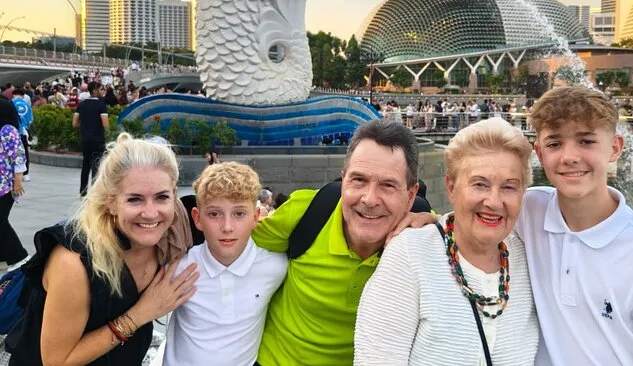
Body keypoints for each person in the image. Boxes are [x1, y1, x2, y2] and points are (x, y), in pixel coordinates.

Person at [354, 117, 538, 365]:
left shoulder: (531, 257)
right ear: (451, 188)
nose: (494, 202)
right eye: (480, 184)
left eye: (509, 187)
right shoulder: (411, 255)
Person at [252, 120, 435, 365]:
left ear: (411, 196)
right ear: (343, 180)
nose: (369, 199)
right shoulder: (306, 212)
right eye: (358, 180)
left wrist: (438, 224)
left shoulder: (425, 234)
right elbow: (230, 239)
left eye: (388, 185)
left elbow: (473, 237)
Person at [5, 133, 198, 365]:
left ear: (174, 195)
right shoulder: (74, 261)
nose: (150, 213)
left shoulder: (172, 233)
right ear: (110, 202)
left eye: (162, 197)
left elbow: (229, 218)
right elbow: (56, 361)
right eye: (134, 199)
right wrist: (141, 313)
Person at [517, 86, 633, 365]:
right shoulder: (527, 210)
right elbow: (466, 223)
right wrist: (431, 221)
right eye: (554, 144)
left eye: (586, 141)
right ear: (539, 153)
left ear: (615, 148)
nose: (569, 156)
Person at [163, 162, 288, 365]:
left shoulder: (276, 267)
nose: (227, 227)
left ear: (255, 217)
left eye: (239, 214)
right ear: (197, 218)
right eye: (214, 214)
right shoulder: (177, 268)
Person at [0, 98, 29, 270]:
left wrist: (18, 182)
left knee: (0, 220)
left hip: (6, 185)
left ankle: (19, 256)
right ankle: (3, 256)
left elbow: (18, 156)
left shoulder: (8, 130)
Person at [74, 81, 109, 197]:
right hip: (98, 139)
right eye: (101, 89)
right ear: (95, 90)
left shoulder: (82, 104)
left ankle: (83, 191)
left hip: (85, 139)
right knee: (96, 167)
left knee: (86, 166)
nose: (103, 91)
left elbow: (74, 123)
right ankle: (94, 193)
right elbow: (105, 124)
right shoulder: (101, 105)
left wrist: (85, 125)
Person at [11, 88, 33, 182]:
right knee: (24, 152)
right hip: (24, 132)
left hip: (12, 132)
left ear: (13, 95)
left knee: (12, 152)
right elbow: (30, 120)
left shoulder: (10, 103)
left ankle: (12, 173)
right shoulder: (27, 105)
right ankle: (26, 174)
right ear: (23, 96)